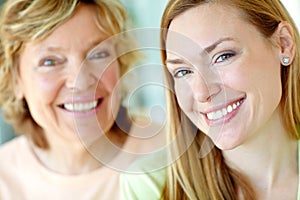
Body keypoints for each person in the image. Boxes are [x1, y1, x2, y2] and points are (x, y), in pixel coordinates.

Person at [0, 0, 165, 199]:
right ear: (15, 79)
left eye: (98, 54)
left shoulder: (174, 155)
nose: (81, 82)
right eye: (50, 61)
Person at [158, 0, 300, 199]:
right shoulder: (149, 188)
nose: (201, 93)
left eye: (223, 57)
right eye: (183, 71)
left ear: (284, 44)